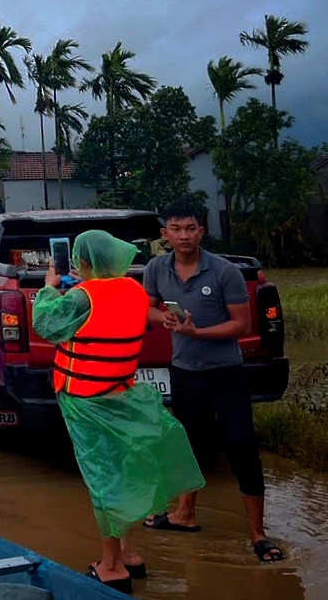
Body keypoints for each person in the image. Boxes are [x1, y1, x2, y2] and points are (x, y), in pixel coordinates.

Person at [33, 229, 205, 593]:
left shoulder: (81, 297)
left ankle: (111, 566)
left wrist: (49, 287)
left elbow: (45, 324)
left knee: (103, 481)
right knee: (123, 473)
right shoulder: (132, 289)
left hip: (85, 401)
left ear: (84, 262)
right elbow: (130, 312)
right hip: (123, 396)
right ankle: (130, 552)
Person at [142, 201, 283, 563]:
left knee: (242, 449)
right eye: (176, 229)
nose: (184, 236)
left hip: (226, 373)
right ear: (165, 234)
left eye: (191, 228)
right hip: (184, 373)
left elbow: (241, 325)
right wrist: (163, 318)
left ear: (201, 231)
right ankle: (184, 514)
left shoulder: (224, 272)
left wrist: (197, 333)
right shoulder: (157, 268)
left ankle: (258, 534)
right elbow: (147, 307)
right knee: (188, 445)